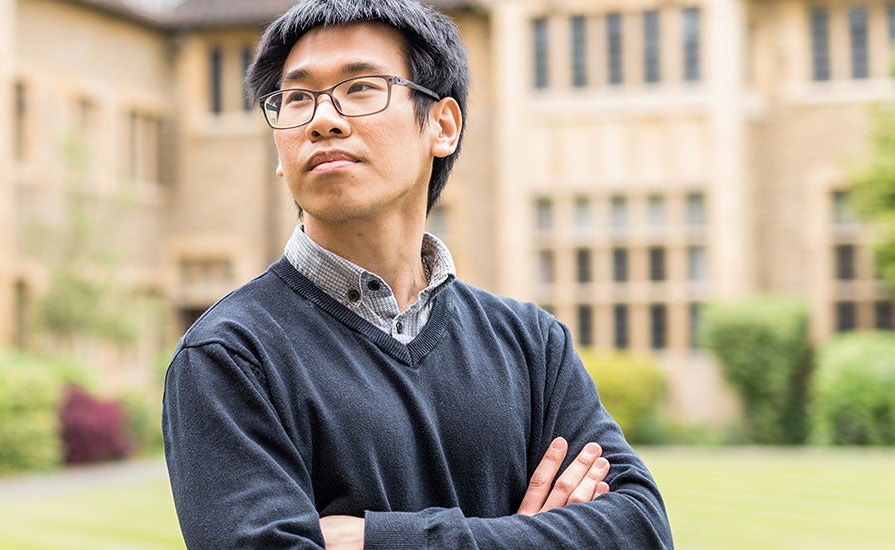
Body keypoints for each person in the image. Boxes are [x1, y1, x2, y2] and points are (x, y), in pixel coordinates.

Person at [160, 1, 674, 548]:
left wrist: (374, 539)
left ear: (443, 126)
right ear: (280, 151)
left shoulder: (531, 344)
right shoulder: (230, 356)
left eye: (361, 88)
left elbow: (640, 528)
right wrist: (527, 536)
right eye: (297, 98)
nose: (322, 120)